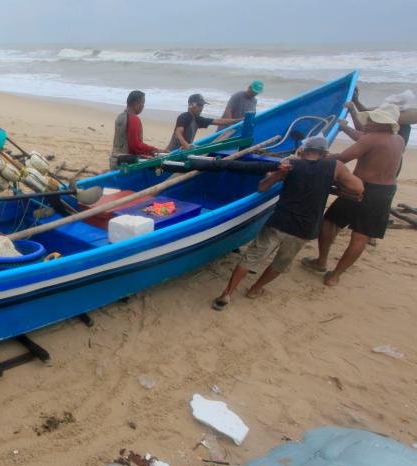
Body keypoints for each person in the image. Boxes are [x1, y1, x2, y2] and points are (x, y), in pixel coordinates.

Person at [212, 136, 362, 310]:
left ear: (303, 150)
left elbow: (263, 187)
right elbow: (358, 189)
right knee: (281, 262)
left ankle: (227, 294)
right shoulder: (335, 166)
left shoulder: (291, 164)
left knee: (252, 257)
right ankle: (255, 289)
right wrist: (332, 185)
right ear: (324, 153)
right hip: (305, 227)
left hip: (280, 221)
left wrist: (277, 173)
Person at [304, 105, 405, 285]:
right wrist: (344, 127)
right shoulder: (398, 140)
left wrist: (316, 157)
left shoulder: (371, 138)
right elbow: (364, 139)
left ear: (380, 124)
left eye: (372, 121)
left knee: (329, 222)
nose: (369, 123)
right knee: (361, 235)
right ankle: (335, 276)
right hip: (385, 192)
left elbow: (343, 157)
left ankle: (321, 261)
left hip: (361, 188)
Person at [164, 94, 241, 152]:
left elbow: (218, 121)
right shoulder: (183, 117)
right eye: (199, 105)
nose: (201, 108)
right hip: (172, 152)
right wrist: (186, 145)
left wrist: (237, 120)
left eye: (202, 105)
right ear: (191, 105)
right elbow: (178, 133)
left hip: (184, 151)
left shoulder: (198, 119)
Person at [109, 90, 160, 169]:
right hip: (125, 162)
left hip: (114, 159)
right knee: (158, 163)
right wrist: (155, 150)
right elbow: (135, 146)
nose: (143, 106)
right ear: (136, 103)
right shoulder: (134, 119)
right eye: (142, 103)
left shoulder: (120, 116)